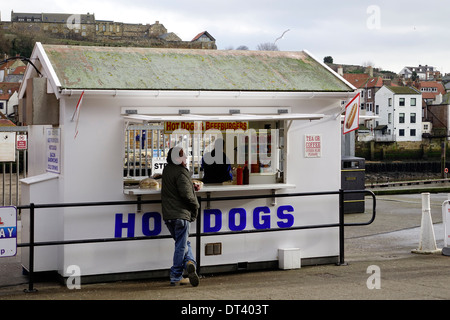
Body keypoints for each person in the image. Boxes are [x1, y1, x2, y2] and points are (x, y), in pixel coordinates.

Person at [161, 146, 200, 286]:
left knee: (183, 243)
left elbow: (177, 187)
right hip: (180, 215)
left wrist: (191, 185)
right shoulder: (181, 172)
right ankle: (176, 275)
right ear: (177, 158)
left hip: (168, 215)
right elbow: (187, 196)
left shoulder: (166, 170)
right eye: (183, 156)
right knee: (181, 246)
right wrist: (196, 208)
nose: (186, 158)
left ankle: (190, 262)